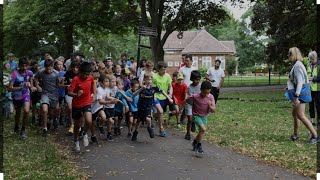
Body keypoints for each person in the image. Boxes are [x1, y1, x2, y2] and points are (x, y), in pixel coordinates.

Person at [286, 47, 318, 144]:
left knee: (300, 115)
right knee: (295, 114)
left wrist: (296, 97)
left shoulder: (298, 66)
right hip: (301, 93)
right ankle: (295, 135)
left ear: (293, 55)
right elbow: (296, 81)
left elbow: (300, 82)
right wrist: (289, 88)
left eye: (289, 54)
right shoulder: (296, 64)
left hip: (301, 95)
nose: (288, 56)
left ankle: (315, 136)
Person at [68, 62, 97, 152]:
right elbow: (69, 92)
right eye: (85, 74)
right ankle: (76, 141)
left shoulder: (90, 78)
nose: (87, 76)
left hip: (87, 101)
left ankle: (84, 133)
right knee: (77, 124)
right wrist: (76, 94)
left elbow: (93, 83)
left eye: (88, 74)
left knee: (89, 121)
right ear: (80, 72)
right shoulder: (75, 79)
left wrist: (94, 94)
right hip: (77, 104)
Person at [182, 81, 216, 154]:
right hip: (196, 116)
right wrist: (181, 108)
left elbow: (214, 110)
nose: (206, 95)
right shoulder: (195, 96)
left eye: (208, 93)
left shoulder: (211, 97)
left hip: (204, 116)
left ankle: (195, 142)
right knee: (203, 129)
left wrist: (210, 106)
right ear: (201, 90)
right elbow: (186, 100)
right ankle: (199, 146)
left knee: (202, 131)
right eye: (204, 93)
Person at [8, 57, 37, 139]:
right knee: (18, 113)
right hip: (16, 96)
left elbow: (31, 85)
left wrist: (32, 87)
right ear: (19, 65)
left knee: (26, 111)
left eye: (25, 66)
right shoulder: (14, 74)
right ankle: (16, 125)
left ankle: (23, 130)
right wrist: (21, 87)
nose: (24, 68)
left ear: (27, 65)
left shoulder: (30, 73)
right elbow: (10, 88)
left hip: (26, 94)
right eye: (22, 66)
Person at [34, 59, 60, 136]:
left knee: (53, 111)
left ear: (52, 67)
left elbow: (58, 85)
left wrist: (62, 83)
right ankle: (44, 128)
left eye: (50, 69)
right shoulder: (41, 72)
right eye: (47, 69)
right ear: (44, 67)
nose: (48, 71)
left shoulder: (56, 73)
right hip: (45, 93)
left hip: (54, 94)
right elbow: (35, 77)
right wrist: (37, 85)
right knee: (45, 110)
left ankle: (53, 119)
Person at [131, 74, 160, 141]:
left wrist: (169, 97)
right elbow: (134, 95)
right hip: (141, 107)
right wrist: (141, 89)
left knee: (148, 119)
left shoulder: (153, 88)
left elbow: (161, 91)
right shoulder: (141, 87)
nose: (149, 81)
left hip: (148, 107)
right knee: (138, 122)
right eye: (147, 79)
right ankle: (135, 133)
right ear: (144, 80)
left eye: (150, 79)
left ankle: (149, 129)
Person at [91, 74, 119, 141]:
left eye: (108, 81)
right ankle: (92, 135)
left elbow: (107, 97)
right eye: (106, 82)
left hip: (100, 108)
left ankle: (100, 126)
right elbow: (100, 101)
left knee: (104, 117)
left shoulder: (106, 89)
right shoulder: (99, 90)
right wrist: (111, 102)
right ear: (101, 82)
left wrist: (114, 99)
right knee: (92, 123)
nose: (107, 83)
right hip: (93, 108)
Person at [152, 61, 173, 137]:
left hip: (164, 97)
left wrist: (170, 94)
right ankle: (161, 128)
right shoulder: (154, 76)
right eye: (162, 69)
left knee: (160, 113)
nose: (164, 71)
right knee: (160, 112)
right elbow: (153, 87)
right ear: (158, 69)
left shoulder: (167, 76)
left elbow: (170, 86)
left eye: (165, 69)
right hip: (156, 96)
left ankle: (153, 116)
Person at [185, 70, 202, 140]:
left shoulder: (201, 86)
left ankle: (193, 123)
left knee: (194, 119)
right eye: (196, 80)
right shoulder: (190, 87)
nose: (197, 81)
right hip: (190, 104)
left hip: (197, 105)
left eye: (199, 79)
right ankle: (188, 133)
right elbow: (191, 98)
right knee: (190, 119)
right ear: (192, 79)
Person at [63, 61, 79, 134]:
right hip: (69, 93)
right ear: (71, 67)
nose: (75, 69)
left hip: (78, 94)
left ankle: (78, 125)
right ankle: (71, 124)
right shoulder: (68, 73)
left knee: (78, 109)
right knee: (70, 108)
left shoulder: (81, 74)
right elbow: (62, 84)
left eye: (77, 67)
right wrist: (66, 86)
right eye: (74, 67)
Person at [307, 51, 320, 126]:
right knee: (310, 105)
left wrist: (313, 79)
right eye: (310, 59)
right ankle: (312, 120)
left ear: (316, 57)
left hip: (318, 89)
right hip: (310, 88)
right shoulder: (308, 65)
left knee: (318, 105)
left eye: (312, 59)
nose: (311, 61)